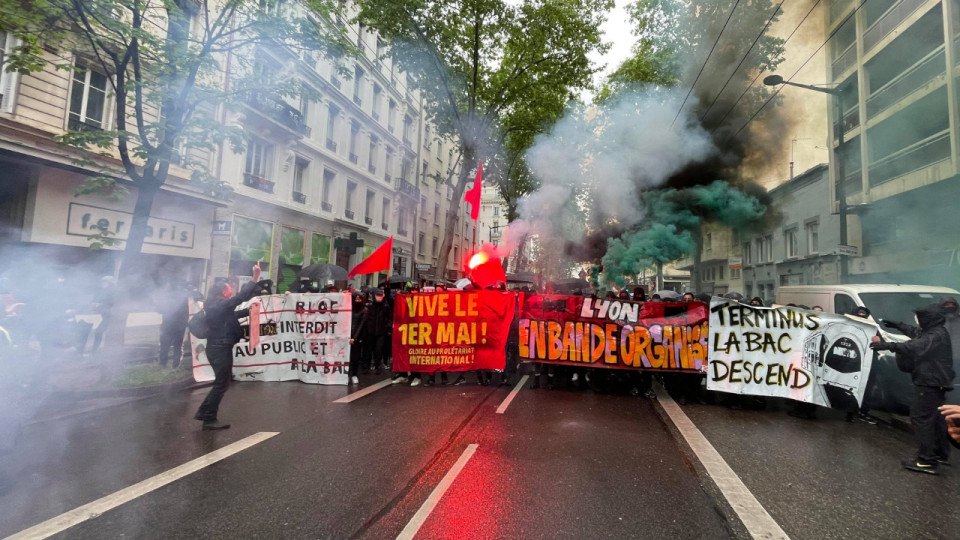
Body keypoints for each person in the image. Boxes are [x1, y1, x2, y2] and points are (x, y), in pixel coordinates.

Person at [871, 304, 955, 474]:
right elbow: (916, 333)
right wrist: (898, 325)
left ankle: (926, 460)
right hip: (934, 382)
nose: (917, 321)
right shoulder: (933, 331)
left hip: (929, 383)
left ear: (928, 319)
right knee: (935, 419)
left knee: (921, 419)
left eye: (920, 318)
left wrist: (888, 345)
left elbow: (915, 347)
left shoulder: (935, 335)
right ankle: (939, 453)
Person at [194, 264, 266, 431]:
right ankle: (209, 419)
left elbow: (232, 315)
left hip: (219, 347)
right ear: (223, 292)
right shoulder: (217, 305)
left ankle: (204, 413)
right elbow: (239, 298)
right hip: (219, 348)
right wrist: (254, 278)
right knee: (221, 384)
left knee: (222, 382)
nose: (231, 290)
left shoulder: (216, 305)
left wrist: (249, 311)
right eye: (229, 288)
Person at [157, 281, 194, 368]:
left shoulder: (166, 297)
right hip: (180, 326)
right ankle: (176, 364)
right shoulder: (186, 297)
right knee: (178, 346)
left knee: (164, 345)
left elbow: (158, 309)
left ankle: (163, 363)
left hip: (167, 324)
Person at [348, 292, 366, 384]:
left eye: (359, 299)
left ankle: (354, 375)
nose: (358, 301)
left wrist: (354, 338)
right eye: (356, 299)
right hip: (347, 335)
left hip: (357, 338)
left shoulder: (364, 310)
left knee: (355, 357)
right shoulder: (348, 308)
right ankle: (347, 373)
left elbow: (361, 325)